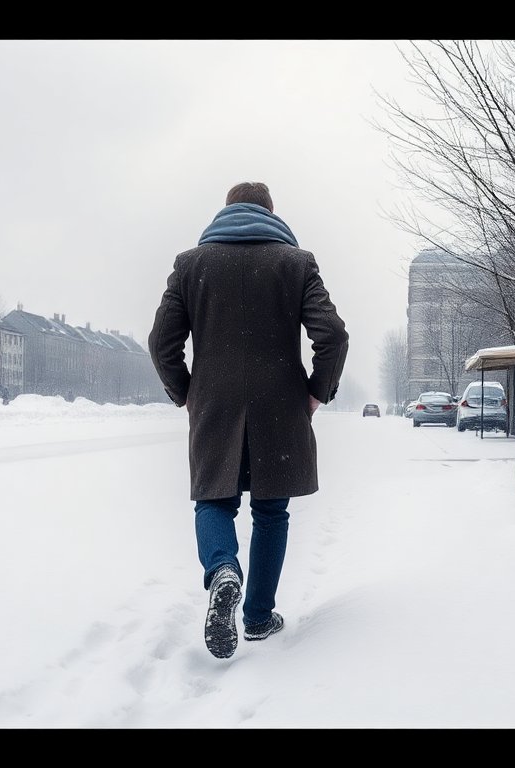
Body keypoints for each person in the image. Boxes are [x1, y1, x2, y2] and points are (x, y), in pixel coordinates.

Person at [148, 181, 349, 659]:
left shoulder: (190, 264)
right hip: (280, 404)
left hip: (214, 401)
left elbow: (161, 342)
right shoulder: (296, 263)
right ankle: (258, 616)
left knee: (213, 502)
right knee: (270, 511)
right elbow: (333, 337)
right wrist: (317, 393)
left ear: (226, 211)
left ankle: (222, 571)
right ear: (271, 213)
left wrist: (186, 393)